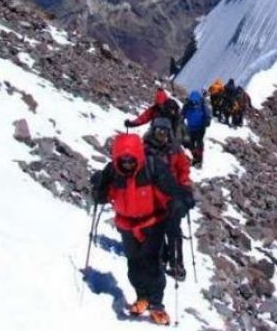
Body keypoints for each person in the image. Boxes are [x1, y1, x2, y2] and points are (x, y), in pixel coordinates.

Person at [90, 133, 191, 326]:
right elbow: (105, 193)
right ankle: (142, 297)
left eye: (131, 160)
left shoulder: (153, 168)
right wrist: (99, 190)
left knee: (152, 264)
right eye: (123, 160)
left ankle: (156, 305)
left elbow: (169, 191)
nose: (127, 164)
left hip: (152, 223)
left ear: (138, 155)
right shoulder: (113, 171)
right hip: (125, 224)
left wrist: (178, 202)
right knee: (134, 264)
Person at [143, 118, 194, 281]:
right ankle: (163, 256)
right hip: (151, 196)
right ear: (153, 131)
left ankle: (176, 263)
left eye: (164, 131)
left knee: (173, 230)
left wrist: (185, 188)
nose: (161, 134)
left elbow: (183, 169)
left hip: (172, 196)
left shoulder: (175, 150)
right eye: (158, 130)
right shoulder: (144, 149)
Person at [181, 90, 212, 168]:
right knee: (195, 144)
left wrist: (181, 120)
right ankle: (197, 159)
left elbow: (182, 114)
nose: (194, 104)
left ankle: (196, 159)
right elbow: (207, 114)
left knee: (194, 143)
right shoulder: (199, 103)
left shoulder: (191, 103)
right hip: (196, 127)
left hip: (195, 127)